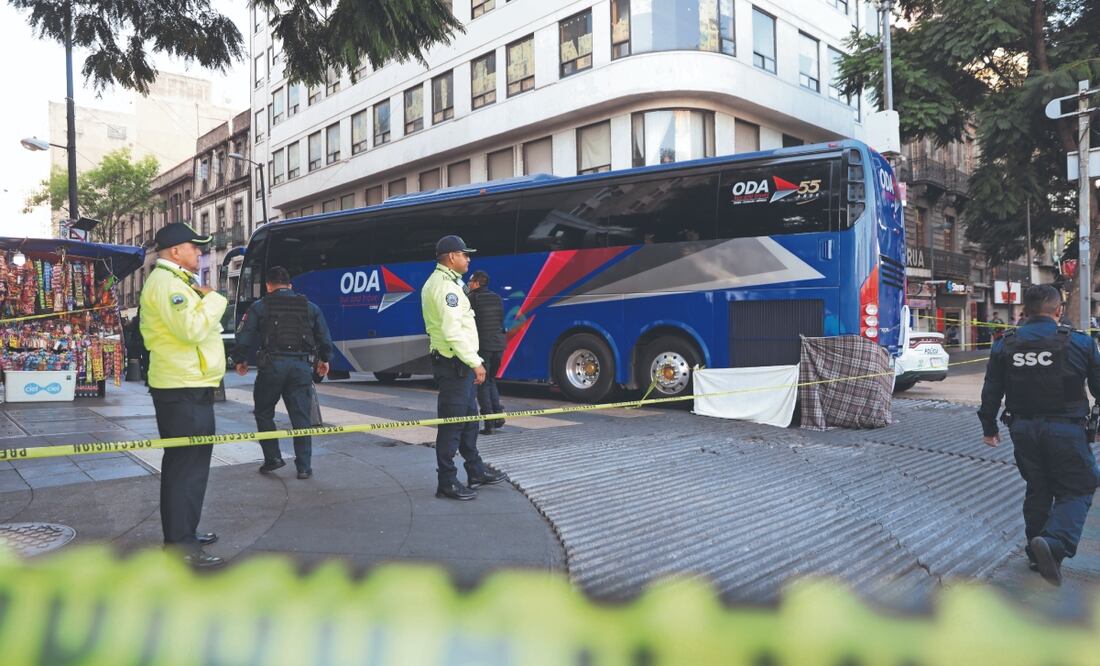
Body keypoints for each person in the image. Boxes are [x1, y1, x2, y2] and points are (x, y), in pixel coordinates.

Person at [978, 284, 1100, 586]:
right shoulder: (1081, 343)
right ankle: (1055, 543)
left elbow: (991, 390)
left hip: (1022, 430)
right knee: (1079, 487)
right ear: (1058, 310)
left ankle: (1037, 554)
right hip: (1067, 430)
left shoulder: (1004, 343)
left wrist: (988, 427)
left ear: (1025, 312)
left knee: (1039, 487)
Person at [139, 222, 228, 569]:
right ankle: (180, 544)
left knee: (188, 466)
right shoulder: (167, 284)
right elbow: (191, 329)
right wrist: (216, 299)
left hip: (188, 385)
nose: (200, 253)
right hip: (182, 387)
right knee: (186, 469)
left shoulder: (174, 282)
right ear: (176, 251)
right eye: (196, 247)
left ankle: (184, 531)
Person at [421, 235, 507, 500]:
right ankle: (446, 482)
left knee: (469, 421)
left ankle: (475, 471)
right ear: (451, 257)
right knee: (453, 425)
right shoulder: (446, 288)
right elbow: (452, 331)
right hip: (455, 365)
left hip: (460, 364)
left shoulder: (450, 283)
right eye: (464, 254)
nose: (468, 259)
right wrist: (475, 362)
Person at [230, 266, 333, 480]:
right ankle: (304, 467)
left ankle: (273, 458)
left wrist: (240, 360)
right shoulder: (310, 307)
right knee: (301, 417)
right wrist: (324, 359)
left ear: (268, 286)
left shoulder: (260, 306)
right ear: (290, 285)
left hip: (272, 367)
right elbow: (324, 336)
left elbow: (244, 336)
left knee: (264, 412)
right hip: (301, 367)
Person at [467, 269, 506, 435]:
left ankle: (489, 422)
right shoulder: (496, 297)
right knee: (490, 380)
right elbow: (500, 320)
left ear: (476, 283)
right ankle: (498, 415)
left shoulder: (472, 298)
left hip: (483, 346)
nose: (468, 284)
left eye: (470, 282)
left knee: (482, 382)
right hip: (499, 345)